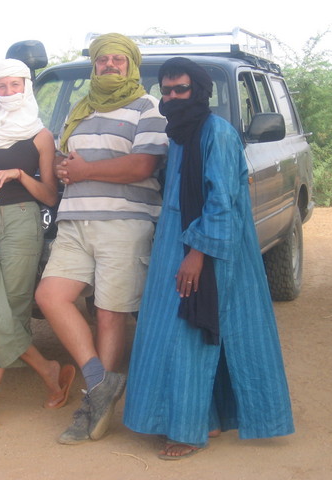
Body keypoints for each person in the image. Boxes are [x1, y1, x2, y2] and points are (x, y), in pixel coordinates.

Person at [123, 57, 295, 459]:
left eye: (180, 90)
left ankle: (187, 429)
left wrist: (197, 254)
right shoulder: (181, 134)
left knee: (193, 330)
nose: (172, 98)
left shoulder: (216, 132)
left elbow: (221, 201)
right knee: (181, 328)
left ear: (199, 92)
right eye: (165, 91)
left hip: (211, 248)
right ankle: (210, 416)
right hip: (175, 243)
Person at [34, 33, 168, 445]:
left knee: (110, 313)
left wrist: (86, 171)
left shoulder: (149, 108)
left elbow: (143, 164)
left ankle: (94, 407)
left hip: (124, 222)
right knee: (50, 297)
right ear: (95, 65)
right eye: (103, 60)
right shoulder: (81, 108)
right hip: (75, 221)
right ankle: (101, 381)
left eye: (118, 60)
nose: (109, 66)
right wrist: (62, 168)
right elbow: (70, 161)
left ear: (131, 65)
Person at [0, 58, 76, 432]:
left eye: (15, 86)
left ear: (26, 88)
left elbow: (48, 194)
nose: (8, 93)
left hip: (22, 221)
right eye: (1, 87)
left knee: (10, 310)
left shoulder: (40, 135)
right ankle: (47, 368)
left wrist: (19, 173)